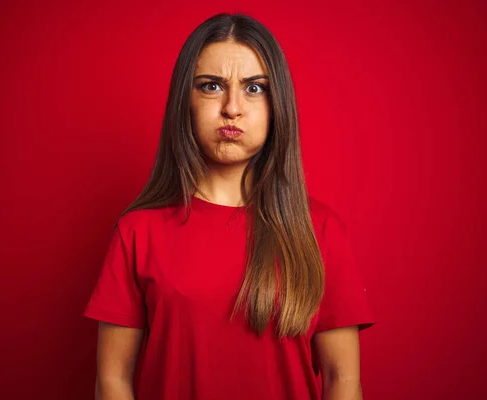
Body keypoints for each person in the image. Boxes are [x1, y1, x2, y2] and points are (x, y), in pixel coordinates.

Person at [84, 13, 375, 400]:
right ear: (184, 102)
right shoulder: (137, 232)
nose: (232, 108)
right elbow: (113, 381)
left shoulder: (320, 230)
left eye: (254, 88)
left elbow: (343, 380)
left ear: (277, 105)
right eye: (211, 86)